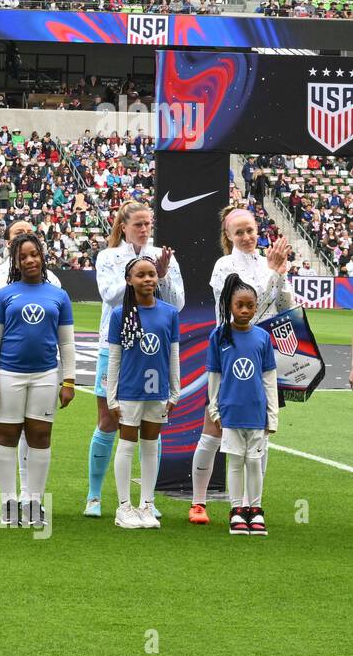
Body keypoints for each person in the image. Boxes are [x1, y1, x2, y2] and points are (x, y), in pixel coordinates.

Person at [189, 207, 292, 524]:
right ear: (228, 236)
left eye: (251, 230)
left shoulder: (266, 263)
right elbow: (241, 308)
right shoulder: (224, 266)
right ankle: (198, 502)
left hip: (261, 352)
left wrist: (282, 277)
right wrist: (273, 273)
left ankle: (249, 504)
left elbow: (284, 306)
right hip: (230, 351)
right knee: (213, 428)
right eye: (240, 232)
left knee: (261, 433)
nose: (247, 237)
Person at [84, 202, 184, 516]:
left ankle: (146, 501)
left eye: (147, 224)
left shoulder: (164, 257)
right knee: (109, 419)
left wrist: (162, 276)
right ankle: (95, 495)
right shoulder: (108, 256)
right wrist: (138, 272)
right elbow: (110, 296)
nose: (144, 229)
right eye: (138, 224)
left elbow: (177, 303)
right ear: (124, 226)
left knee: (152, 423)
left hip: (153, 349)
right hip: (113, 345)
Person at [0, 219, 63, 512]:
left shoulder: (51, 280)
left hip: (38, 363)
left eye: (28, 233)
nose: (23, 237)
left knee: (32, 427)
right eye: (17, 234)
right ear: (9, 242)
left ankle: (27, 496)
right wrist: (12, 296)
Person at [0, 232, 76, 528]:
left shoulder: (58, 296)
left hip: (46, 375)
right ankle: (9, 503)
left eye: (34, 254)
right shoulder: (5, 294)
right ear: (16, 262)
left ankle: (34, 502)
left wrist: (69, 381)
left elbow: (67, 344)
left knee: (40, 436)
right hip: (9, 374)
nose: (30, 260)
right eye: (23, 257)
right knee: (7, 436)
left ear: (42, 256)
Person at [104, 256, 180, 530]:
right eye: (141, 275)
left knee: (151, 446)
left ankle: (146, 504)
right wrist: (111, 396)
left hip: (157, 391)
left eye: (151, 274)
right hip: (129, 391)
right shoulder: (119, 315)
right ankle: (124, 506)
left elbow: (173, 355)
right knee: (127, 445)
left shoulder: (169, 313)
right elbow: (114, 359)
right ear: (129, 280)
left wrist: (174, 392)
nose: (148, 279)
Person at [207, 275, 278, 536]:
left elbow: (269, 379)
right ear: (230, 306)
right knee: (235, 462)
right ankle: (237, 511)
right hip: (231, 412)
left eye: (250, 305)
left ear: (256, 306)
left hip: (256, 413)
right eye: (240, 305)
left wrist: (273, 415)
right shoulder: (219, 336)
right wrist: (214, 409)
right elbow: (214, 376)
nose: (245, 310)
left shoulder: (262, 338)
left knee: (255, 462)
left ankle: (255, 510)